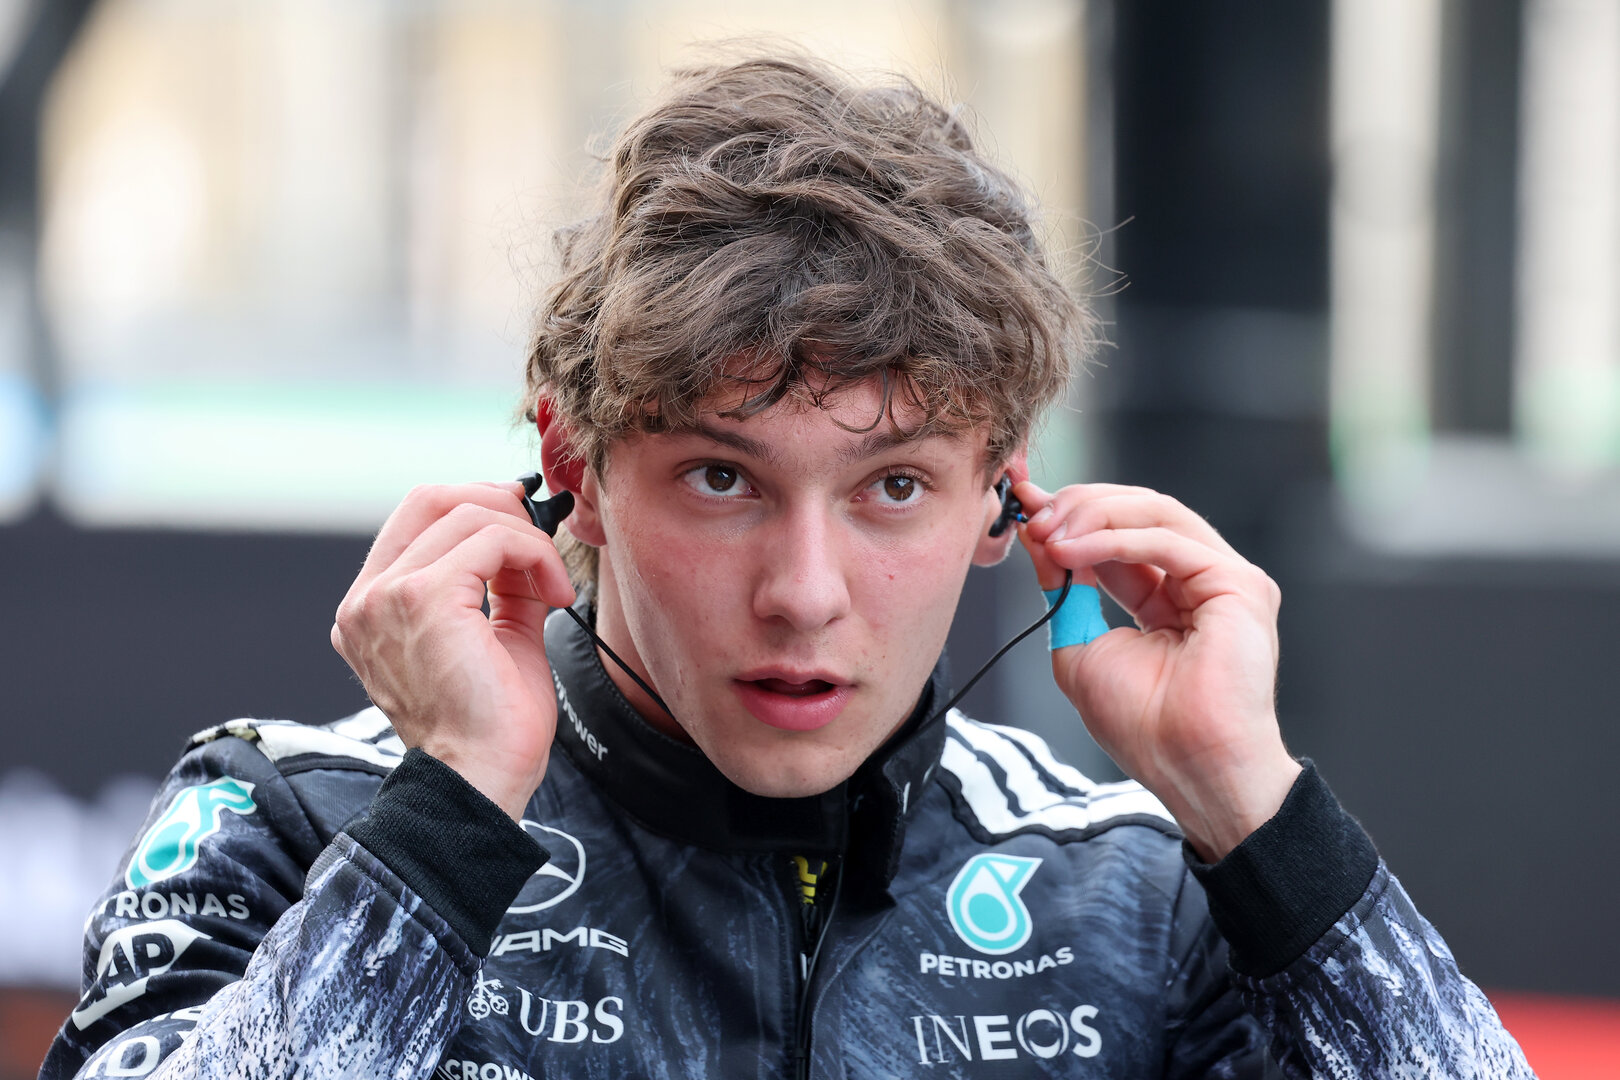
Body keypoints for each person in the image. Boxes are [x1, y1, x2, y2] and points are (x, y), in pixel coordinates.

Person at [42, 56, 1532, 1079]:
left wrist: (1261, 817)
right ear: (573, 470)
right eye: (721, 477)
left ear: (1003, 494)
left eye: (892, 487)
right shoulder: (293, 822)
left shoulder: (1133, 898)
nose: (805, 591)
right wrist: (442, 835)